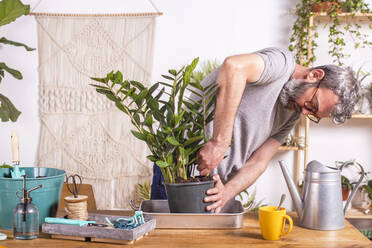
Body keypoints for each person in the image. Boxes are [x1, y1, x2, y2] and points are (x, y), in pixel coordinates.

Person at [196, 47, 359, 213]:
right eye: (312, 104)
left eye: (313, 114)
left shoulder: (293, 114)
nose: (305, 112)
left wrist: (227, 192)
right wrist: (219, 142)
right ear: (314, 75)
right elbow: (234, 67)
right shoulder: (281, 63)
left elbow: (259, 161)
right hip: (175, 171)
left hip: (211, 189)